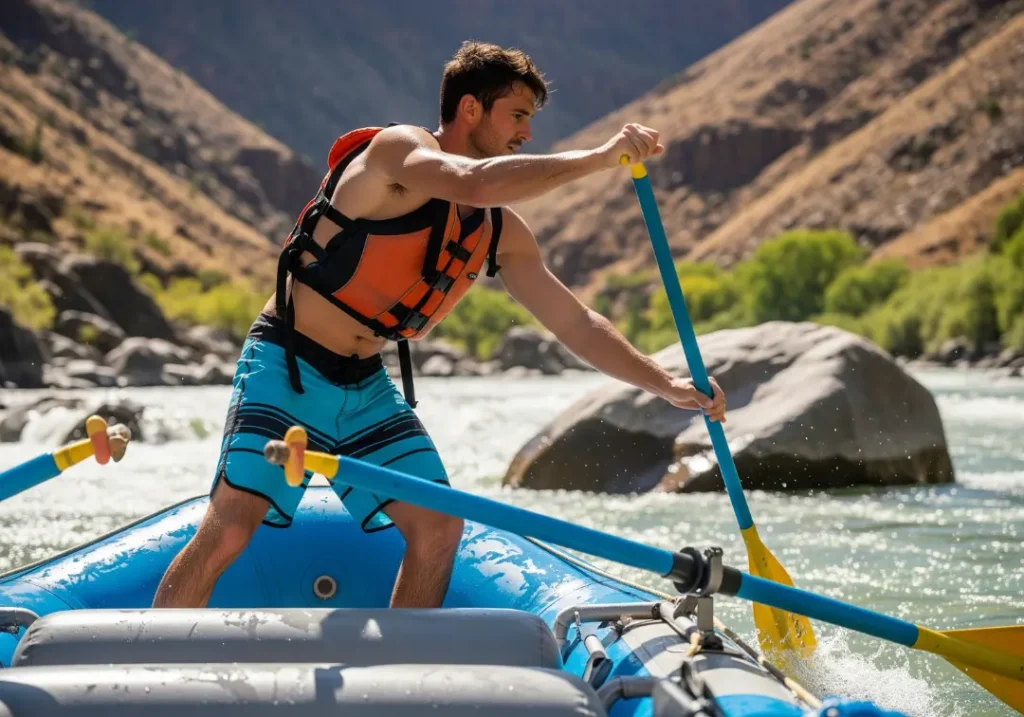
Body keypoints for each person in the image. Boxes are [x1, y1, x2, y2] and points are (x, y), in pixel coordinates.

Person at [151, 40, 727, 610]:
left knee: (439, 529)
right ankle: (149, 669)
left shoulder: (500, 233)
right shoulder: (396, 154)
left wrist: (667, 385)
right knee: (230, 529)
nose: (526, 133)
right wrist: (601, 158)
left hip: (363, 386)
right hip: (289, 366)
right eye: (517, 116)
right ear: (470, 108)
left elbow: (575, 323)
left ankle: (400, 678)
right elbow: (473, 182)